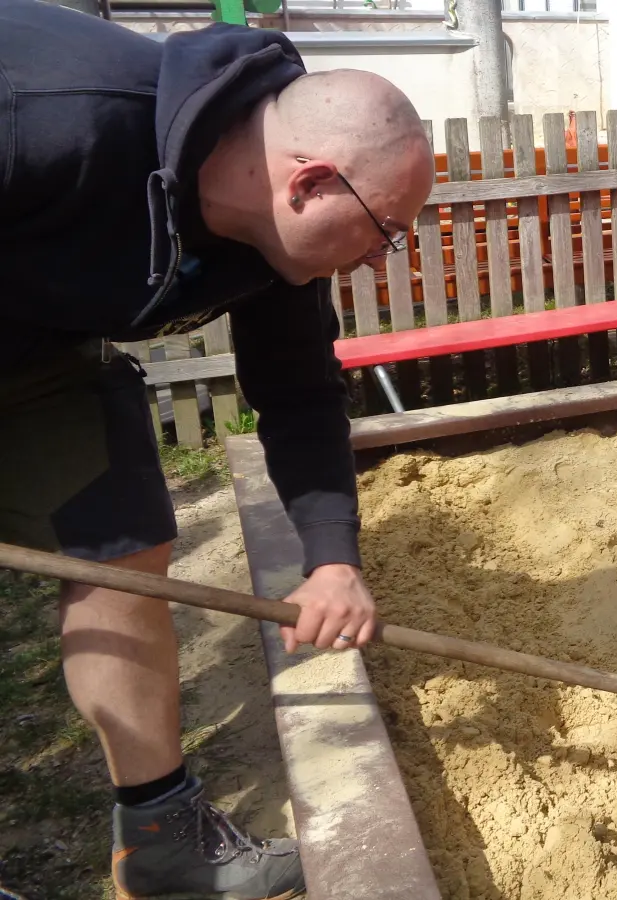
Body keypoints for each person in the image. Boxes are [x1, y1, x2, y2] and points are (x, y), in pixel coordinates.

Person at [0, 4, 435, 897]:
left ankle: (162, 838)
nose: (381, 259)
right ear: (310, 182)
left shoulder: (273, 250)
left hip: (36, 345)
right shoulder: (51, 118)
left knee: (123, 546)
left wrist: (331, 559)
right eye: (385, 230)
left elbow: (302, 395)